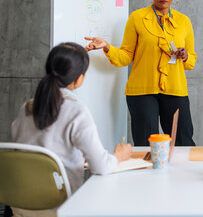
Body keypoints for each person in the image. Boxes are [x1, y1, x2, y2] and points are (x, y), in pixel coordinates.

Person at [85, 0, 197, 146]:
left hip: (175, 89)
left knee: (183, 142)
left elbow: (191, 61)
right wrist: (107, 47)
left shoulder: (184, 22)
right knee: (145, 146)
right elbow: (126, 56)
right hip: (141, 92)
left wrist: (184, 55)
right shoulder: (137, 18)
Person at [11, 42, 132, 216]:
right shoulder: (76, 110)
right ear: (79, 78)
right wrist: (119, 156)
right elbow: (101, 167)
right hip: (59, 206)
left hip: (20, 204)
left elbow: (27, 152)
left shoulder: (26, 108)